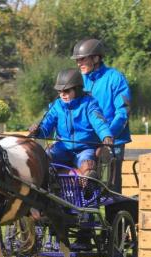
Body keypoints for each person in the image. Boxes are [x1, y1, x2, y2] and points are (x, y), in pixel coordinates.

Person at [71, 38, 132, 193]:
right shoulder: (78, 80)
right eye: (77, 60)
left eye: (82, 59)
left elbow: (123, 111)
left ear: (96, 58)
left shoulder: (115, 78)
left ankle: (113, 214)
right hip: (86, 141)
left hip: (113, 140)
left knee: (110, 188)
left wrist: (108, 136)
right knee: (85, 184)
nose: (79, 63)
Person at [29, 68, 113, 178]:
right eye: (60, 92)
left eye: (67, 91)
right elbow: (46, 125)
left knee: (88, 166)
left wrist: (106, 135)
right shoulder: (56, 106)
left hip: (85, 148)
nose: (63, 94)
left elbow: (99, 122)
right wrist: (38, 131)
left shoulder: (89, 104)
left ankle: (88, 187)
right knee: (43, 158)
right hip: (62, 148)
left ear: (77, 90)